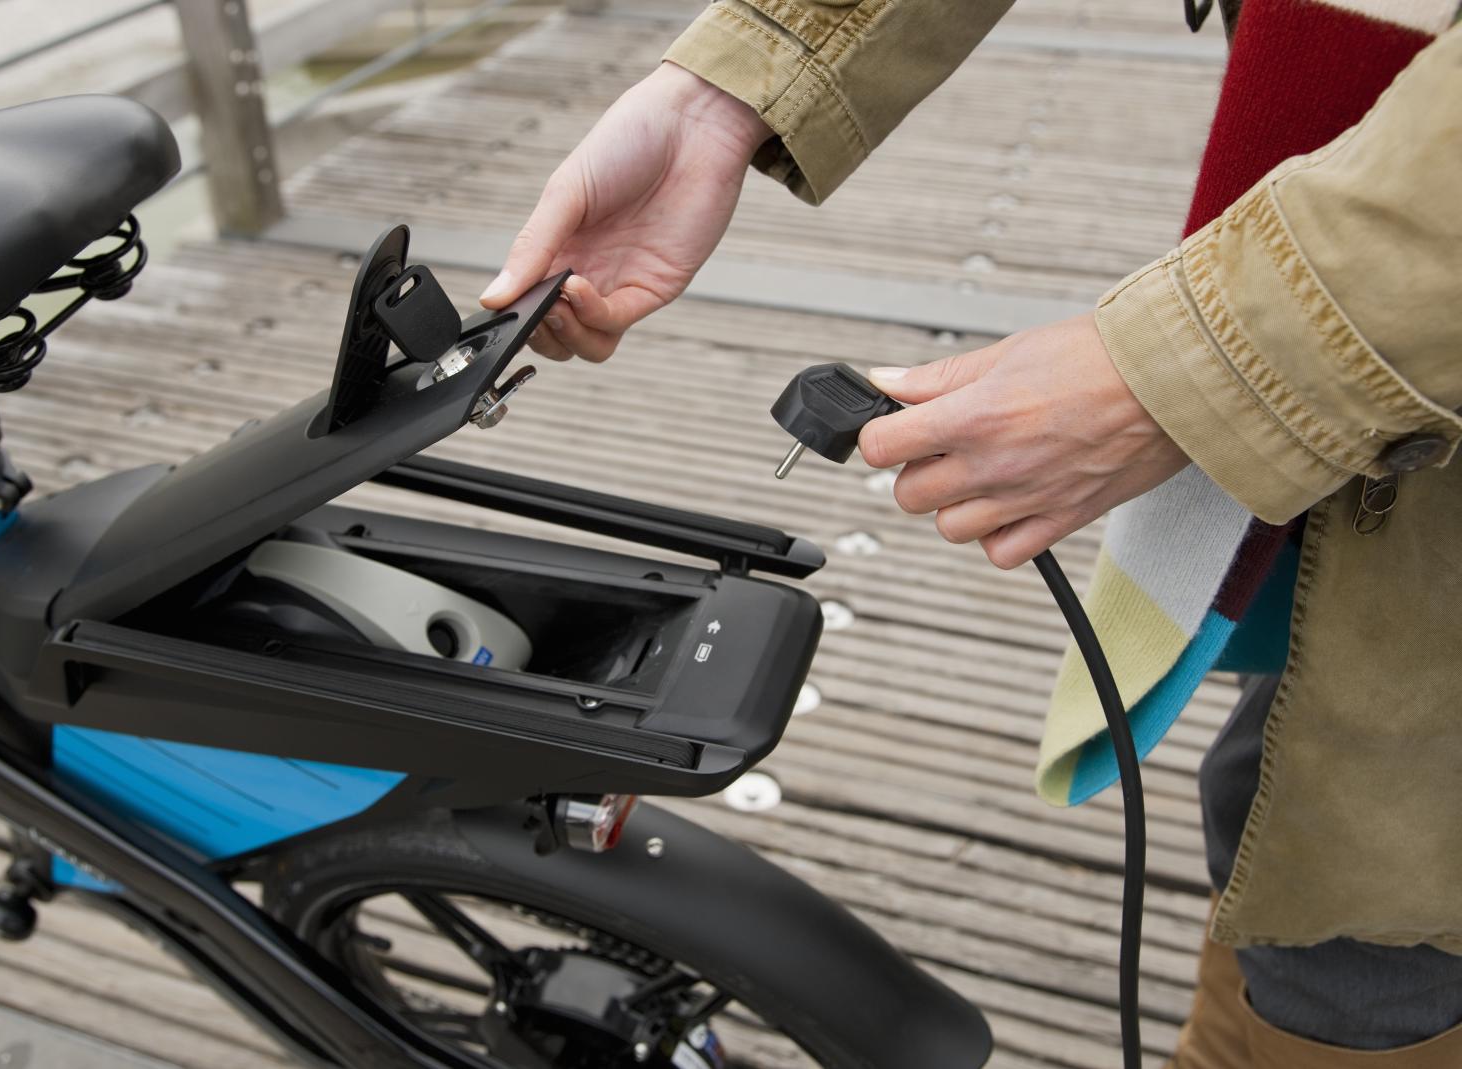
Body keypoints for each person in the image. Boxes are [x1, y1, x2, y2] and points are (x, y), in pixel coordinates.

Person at [479, 0, 1462, 1065]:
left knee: (1374, 899)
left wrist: (1218, 357)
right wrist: (731, 88)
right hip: (1344, 273)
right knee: (1273, 764)